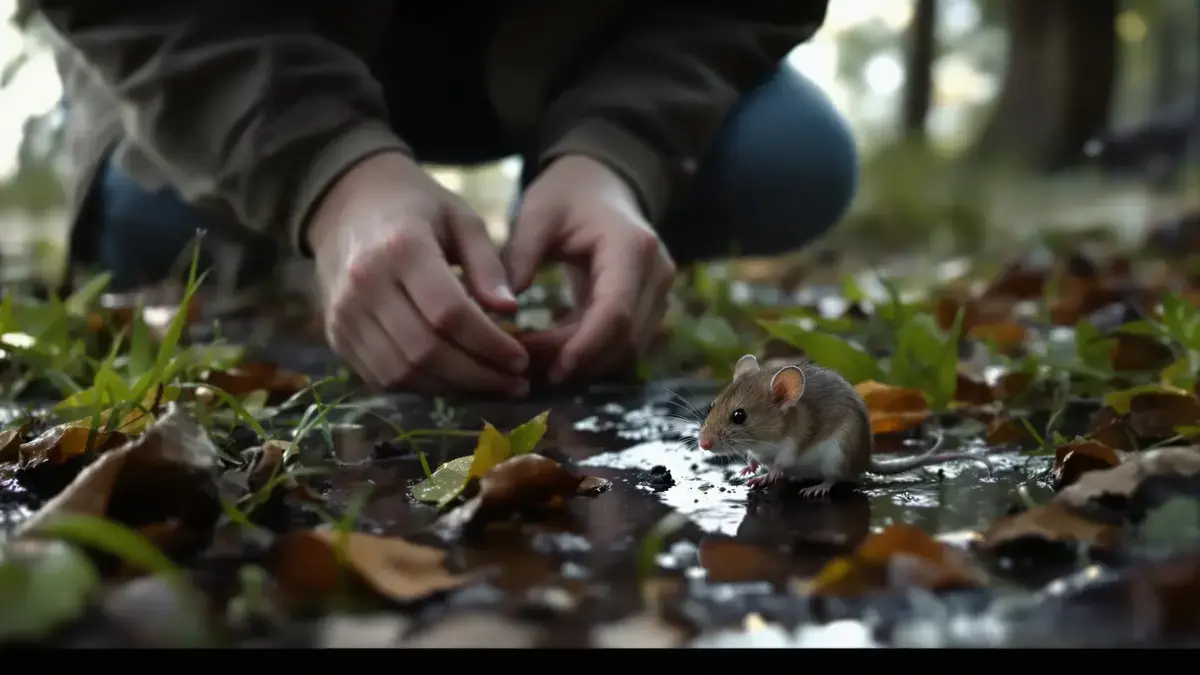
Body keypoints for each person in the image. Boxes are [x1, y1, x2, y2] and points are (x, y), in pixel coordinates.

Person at [31, 0, 858, 396]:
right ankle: (284, 215)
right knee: (153, 231)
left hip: (553, 43)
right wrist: (329, 177)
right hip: (247, 28)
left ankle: (576, 203)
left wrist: (615, 155)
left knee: (790, 158)